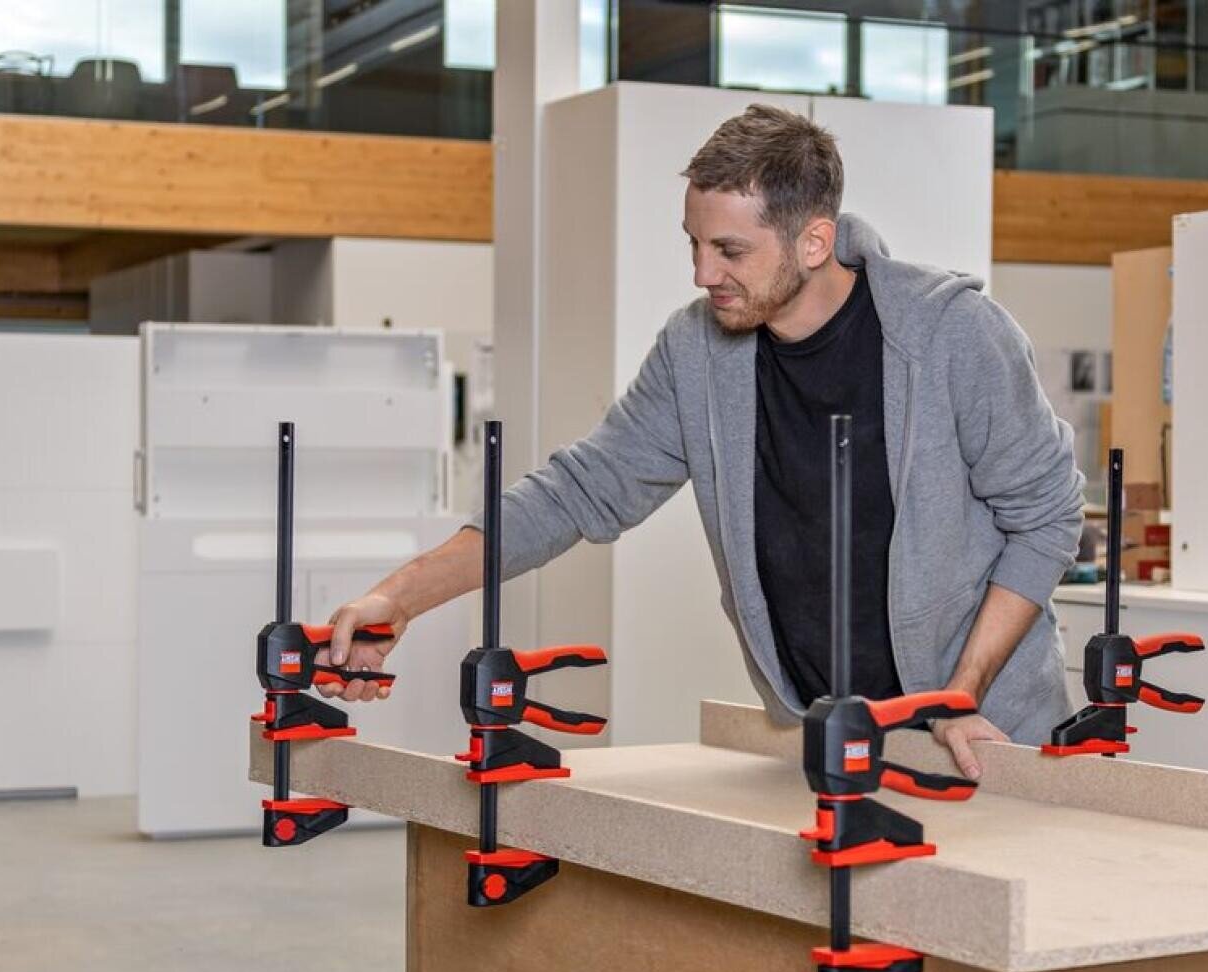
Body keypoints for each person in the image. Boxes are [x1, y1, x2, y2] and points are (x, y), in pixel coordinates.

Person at [321, 104, 1083, 780]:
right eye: (692, 244)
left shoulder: (951, 334)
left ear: (813, 241)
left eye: (729, 251)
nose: (700, 273)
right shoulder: (697, 352)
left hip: (983, 735)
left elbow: (1046, 518)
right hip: (835, 736)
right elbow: (581, 490)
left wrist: (961, 694)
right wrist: (399, 598)